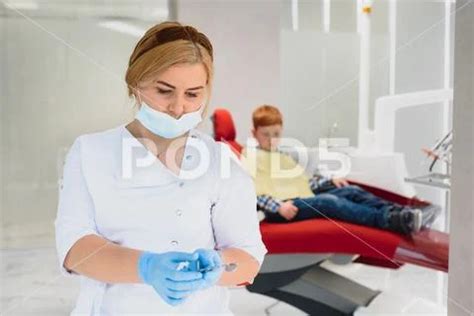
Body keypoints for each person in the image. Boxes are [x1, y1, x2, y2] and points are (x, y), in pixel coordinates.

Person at [55, 22, 267, 315]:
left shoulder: (220, 161)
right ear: (135, 83)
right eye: (164, 91)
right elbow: (74, 250)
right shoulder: (90, 152)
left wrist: (218, 269)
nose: (178, 108)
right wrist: (147, 267)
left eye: (192, 94)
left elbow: (248, 258)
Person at [241, 105, 428, 236]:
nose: (272, 139)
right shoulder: (250, 156)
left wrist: (330, 181)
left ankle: (402, 212)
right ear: (254, 133)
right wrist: (278, 207)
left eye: (276, 134)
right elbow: (252, 193)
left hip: (299, 197)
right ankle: (389, 219)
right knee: (329, 202)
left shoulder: (280, 155)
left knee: (351, 191)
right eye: (265, 134)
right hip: (281, 209)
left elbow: (303, 182)